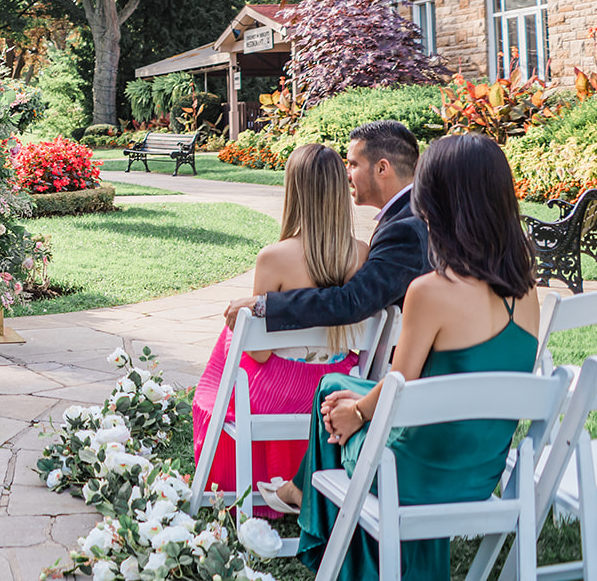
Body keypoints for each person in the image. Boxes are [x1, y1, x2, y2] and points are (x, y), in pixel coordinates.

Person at [267, 134, 541, 580]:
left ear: (441, 202)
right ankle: (315, 508)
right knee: (336, 388)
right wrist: (354, 403)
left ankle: (335, 554)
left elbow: (400, 387)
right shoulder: (527, 293)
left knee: (333, 401)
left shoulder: (432, 291)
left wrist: (355, 412)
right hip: (481, 468)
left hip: (418, 472)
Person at [192, 144, 369, 517]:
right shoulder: (361, 254)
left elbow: (259, 353)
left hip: (277, 396)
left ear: (294, 192)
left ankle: (242, 481)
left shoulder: (273, 258)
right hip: (337, 387)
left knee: (233, 339)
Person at [225, 120, 428, 333]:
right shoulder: (411, 214)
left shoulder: (406, 229)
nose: (346, 174)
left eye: (353, 164)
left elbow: (351, 302)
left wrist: (264, 305)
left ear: (382, 168)